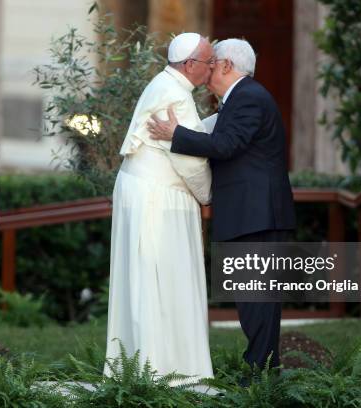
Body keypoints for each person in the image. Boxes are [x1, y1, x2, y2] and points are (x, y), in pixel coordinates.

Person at [148, 38, 296, 372]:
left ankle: (261, 380)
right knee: (253, 306)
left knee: (258, 306)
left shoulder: (248, 97)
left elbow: (226, 145)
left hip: (258, 219)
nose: (207, 69)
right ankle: (260, 375)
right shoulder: (238, 99)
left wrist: (176, 134)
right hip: (251, 217)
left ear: (227, 66)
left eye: (212, 63)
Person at [104, 33, 215, 380]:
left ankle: (139, 366)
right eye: (209, 63)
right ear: (190, 65)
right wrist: (209, 195)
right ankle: (162, 370)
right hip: (159, 197)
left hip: (144, 191)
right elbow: (191, 162)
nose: (212, 69)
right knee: (160, 281)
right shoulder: (175, 95)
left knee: (145, 281)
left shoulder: (165, 85)